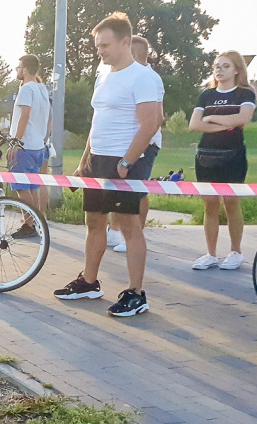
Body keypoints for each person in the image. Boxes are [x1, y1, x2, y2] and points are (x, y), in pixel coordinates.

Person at [53, 12, 161, 317]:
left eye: (105, 45)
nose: (100, 50)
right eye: (97, 45)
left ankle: (136, 294)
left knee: (128, 225)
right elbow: (97, 120)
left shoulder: (143, 77)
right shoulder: (103, 74)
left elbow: (150, 124)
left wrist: (127, 161)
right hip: (98, 159)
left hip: (126, 160)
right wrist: (85, 158)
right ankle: (89, 283)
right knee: (94, 221)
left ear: (125, 41)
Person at [188, 51, 256, 271]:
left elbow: (243, 119)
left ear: (236, 69)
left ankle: (235, 251)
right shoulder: (206, 95)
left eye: (225, 66)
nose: (219, 70)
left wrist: (213, 118)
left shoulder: (245, 93)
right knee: (210, 204)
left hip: (233, 155)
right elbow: (195, 125)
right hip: (207, 155)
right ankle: (211, 254)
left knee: (231, 202)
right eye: (217, 66)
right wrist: (224, 125)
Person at [108, 35, 164, 253]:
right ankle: (115, 230)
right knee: (119, 189)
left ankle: (135, 234)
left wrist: (143, 144)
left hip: (145, 144)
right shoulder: (123, 76)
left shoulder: (150, 78)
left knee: (137, 190)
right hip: (122, 142)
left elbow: (156, 118)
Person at [7, 54, 51, 234]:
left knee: (21, 187)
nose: (17, 70)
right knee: (33, 187)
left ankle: (30, 223)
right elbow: (46, 118)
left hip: (24, 146)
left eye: (18, 68)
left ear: (25, 69)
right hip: (38, 145)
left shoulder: (26, 89)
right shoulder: (42, 89)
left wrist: (15, 142)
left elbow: (24, 115)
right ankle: (36, 222)